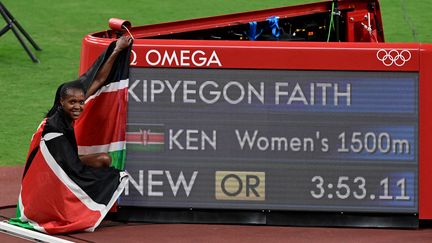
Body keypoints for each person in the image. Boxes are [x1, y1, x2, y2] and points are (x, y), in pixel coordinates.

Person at [10, 36, 132, 234]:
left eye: (81, 102)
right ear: (61, 102)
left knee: (104, 160)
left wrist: (117, 49)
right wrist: (108, 181)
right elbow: (69, 171)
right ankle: (78, 209)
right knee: (109, 172)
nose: (78, 107)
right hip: (49, 173)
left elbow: (99, 79)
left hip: (66, 161)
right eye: (72, 103)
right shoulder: (54, 131)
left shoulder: (68, 110)